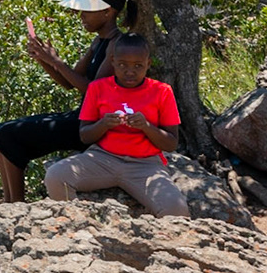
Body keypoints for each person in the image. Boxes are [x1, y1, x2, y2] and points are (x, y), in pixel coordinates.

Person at [0, 0, 136, 203]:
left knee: (7, 135)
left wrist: (55, 61)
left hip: (92, 125)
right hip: (81, 117)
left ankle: (15, 205)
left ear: (107, 12)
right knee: (0, 134)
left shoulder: (117, 44)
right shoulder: (98, 42)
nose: (81, 16)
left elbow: (95, 90)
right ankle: (8, 202)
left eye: (87, 11)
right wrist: (44, 60)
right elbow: (69, 82)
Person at [42, 32, 190, 217]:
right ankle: (79, 223)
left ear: (148, 64)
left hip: (146, 165)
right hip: (103, 158)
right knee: (55, 177)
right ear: (112, 61)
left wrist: (146, 127)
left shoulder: (162, 92)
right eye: (122, 65)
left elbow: (171, 143)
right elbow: (85, 135)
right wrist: (104, 124)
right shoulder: (98, 88)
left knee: (177, 211)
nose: (130, 71)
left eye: (138, 66)